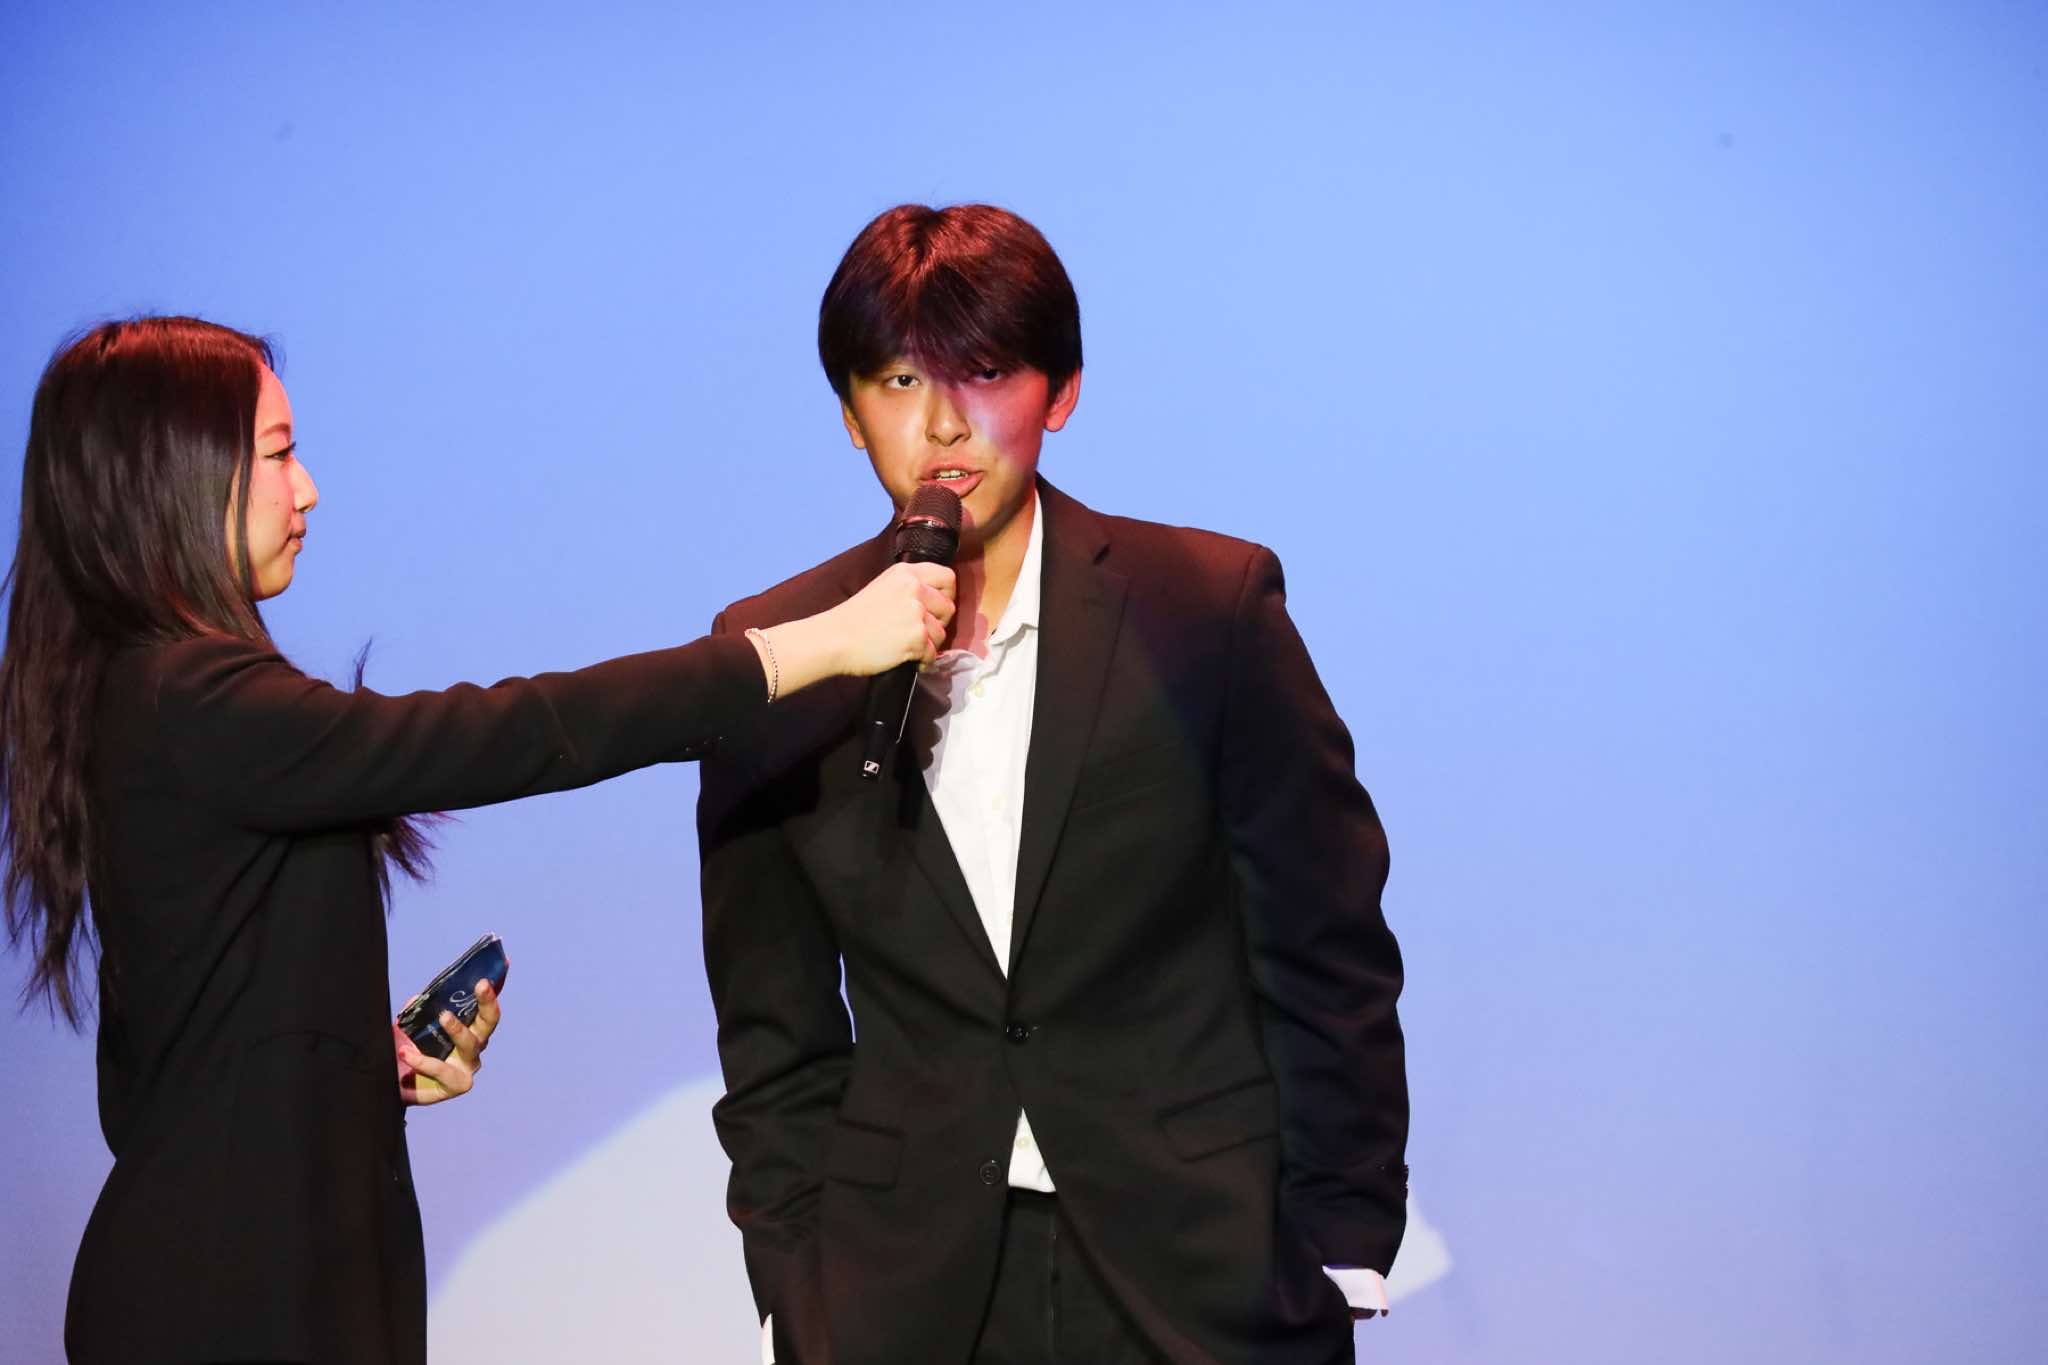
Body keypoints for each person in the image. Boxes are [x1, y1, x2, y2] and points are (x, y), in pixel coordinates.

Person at [0, 316, 954, 1365]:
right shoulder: (186, 698)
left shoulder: (147, 698)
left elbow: (173, 1052)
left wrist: (354, 1067)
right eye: (276, 453)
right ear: (173, 475)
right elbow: (515, 731)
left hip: (245, 1276)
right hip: (226, 1300)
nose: (306, 489)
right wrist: (811, 646)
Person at [697, 204, 1408, 1365]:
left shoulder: (1204, 607)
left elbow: (1324, 947)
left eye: (982, 373)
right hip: (902, 1293)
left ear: (1059, 391)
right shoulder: (778, 649)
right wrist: (796, 1284)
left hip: (1199, 1273)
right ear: (848, 412)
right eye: (897, 381)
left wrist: (1337, 1245)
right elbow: (770, 1023)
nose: (941, 424)